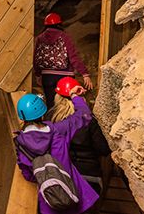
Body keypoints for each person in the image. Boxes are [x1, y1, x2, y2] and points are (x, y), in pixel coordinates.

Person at [15, 86, 100, 214]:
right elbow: (84, 114)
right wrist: (74, 96)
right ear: (43, 113)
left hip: (50, 201)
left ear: (22, 117)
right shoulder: (59, 130)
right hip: (74, 194)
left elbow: (28, 175)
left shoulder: (21, 143)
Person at [50, 77, 111, 208]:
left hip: (63, 177)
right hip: (90, 177)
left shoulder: (51, 120)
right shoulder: (88, 120)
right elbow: (104, 149)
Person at [34, 12, 92, 110]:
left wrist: (38, 74)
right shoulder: (64, 36)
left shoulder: (40, 38)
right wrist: (85, 74)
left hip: (47, 77)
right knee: (67, 106)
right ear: (59, 24)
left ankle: (52, 124)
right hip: (65, 77)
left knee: (51, 105)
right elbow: (73, 57)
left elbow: (36, 58)